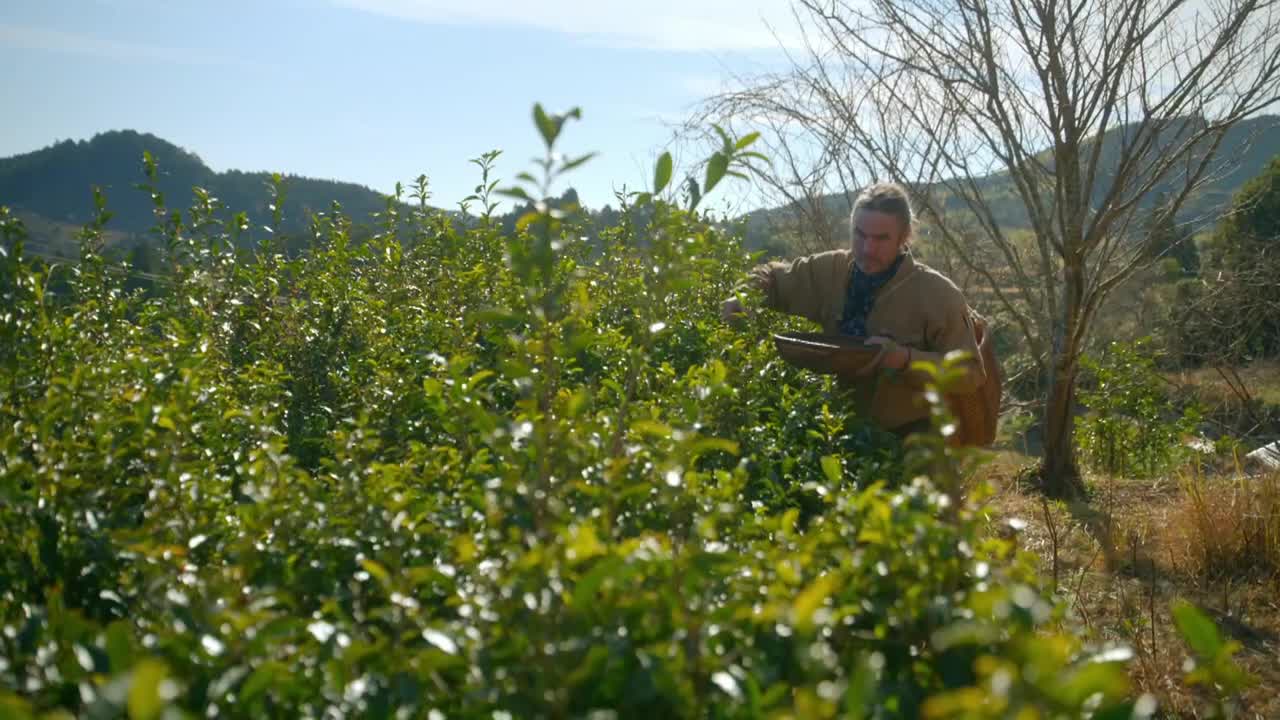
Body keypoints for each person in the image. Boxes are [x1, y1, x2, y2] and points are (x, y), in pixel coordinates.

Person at [722, 182, 985, 438]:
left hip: (912, 439)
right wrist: (744, 295)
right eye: (860, 234)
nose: (868, 249)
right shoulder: (832, 270)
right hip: (838, 431)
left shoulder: (937, 294)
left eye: (881, 238)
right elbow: (772, 278)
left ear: (905, 236)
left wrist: (905, 359)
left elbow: (970, 374)